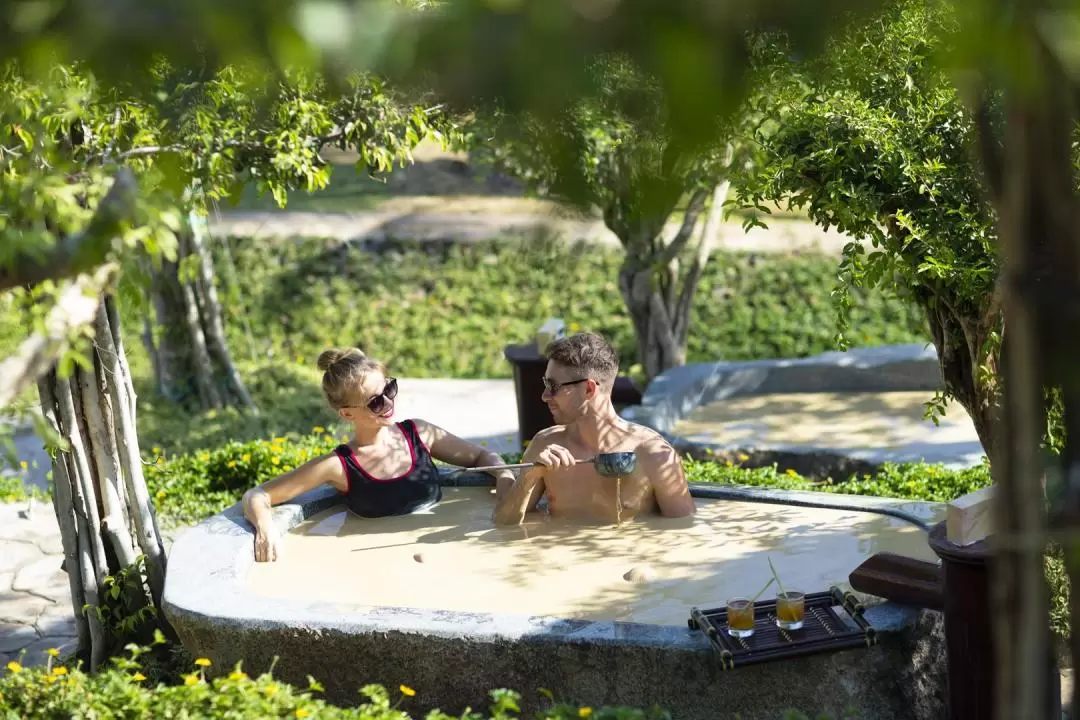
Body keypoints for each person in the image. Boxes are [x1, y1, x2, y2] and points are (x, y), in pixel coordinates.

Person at [243, 348, 516, 562]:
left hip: (445, 551)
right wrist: (266, 529)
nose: (388, 403)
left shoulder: (420, 434)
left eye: (389, 389)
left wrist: (503, 475)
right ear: (347, 414)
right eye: (375, 401)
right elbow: (258, 495)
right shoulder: (339, 465)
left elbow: (482, 457)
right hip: (380, 567)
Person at [493, 332, 696, 525]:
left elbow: (683, 533)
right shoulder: (545, 444)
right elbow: (503, 523)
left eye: (554, 386)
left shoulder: (654, 455)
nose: (545, 396)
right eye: (546, 383)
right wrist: (529, 477)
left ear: (589, 389)